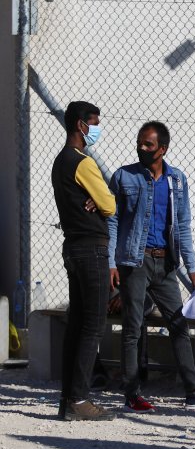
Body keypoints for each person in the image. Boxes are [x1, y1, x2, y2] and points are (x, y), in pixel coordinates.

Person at [107, 121, 195, 413]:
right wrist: (111, 262)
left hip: (166, 264)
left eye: (148, 144)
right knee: (133, 328)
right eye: (140, 142)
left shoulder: (177, 180)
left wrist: (192, 266)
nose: (141, 147)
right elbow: (112, 220)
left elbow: (183, 225)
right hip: (133, 262)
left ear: (162, 149)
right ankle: (132, 394)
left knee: (178, 324)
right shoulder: (124, 177)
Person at [51, 101, 116, 421]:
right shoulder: (82, 162)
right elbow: (109, 204)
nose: (96, 129)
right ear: (80, 125)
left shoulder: (60, 161)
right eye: (94, 123)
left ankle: (68, 400)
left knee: (77, 326)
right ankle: (78, 400)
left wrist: (99, 198)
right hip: (91, 249)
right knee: (92, 326)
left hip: (74, 247)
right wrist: (102, 197)